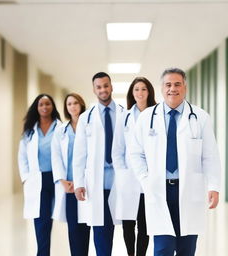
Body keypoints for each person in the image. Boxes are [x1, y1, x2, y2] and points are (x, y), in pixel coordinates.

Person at [129, 68, 221, 256]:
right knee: (162, 248)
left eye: (177, 84)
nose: (173, 88)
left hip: (189, 189)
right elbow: (135, 153)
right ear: (161, 88)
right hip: (158, 189)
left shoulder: (200, 117)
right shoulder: (147, 118)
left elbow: (210, 155)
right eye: (168, 84)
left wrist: (214, 186)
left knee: (187, 249)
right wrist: (145, 180)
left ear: (185, 87)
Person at [73, 72, 123, 256]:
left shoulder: (123, 114)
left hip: (119, 181)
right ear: (94, 90)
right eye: (99, 87)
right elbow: (79, 154)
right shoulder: (86, 118)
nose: (103, 90)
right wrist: (78, 183)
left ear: (111, 87)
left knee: (126, 229)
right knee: (101, 230)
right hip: (97, 182)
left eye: (106, 85)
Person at [111, 77, 156, 256]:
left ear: (149, 92)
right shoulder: (124, 116)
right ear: (132, 93)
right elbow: (117, 149)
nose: (140, 93)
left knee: (145, 224)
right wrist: (122, 173)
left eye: (143, 89)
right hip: (128, 178)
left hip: (149, 177)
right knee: (128, 223)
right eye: (136, 89)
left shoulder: (156, 115)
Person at [18, 94, 61, 256]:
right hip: (38, 180)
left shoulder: (60, 128)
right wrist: (26, 177)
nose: (44, 107)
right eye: (41, 104)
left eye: (48, 104)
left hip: (57, 178)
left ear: (52, 107)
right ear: (37, 107)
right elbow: (22, 156)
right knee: (42, 221)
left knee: (56, 217)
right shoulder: (30, 132)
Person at [51, 93, 90, 256]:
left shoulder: (89, 126)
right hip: (68, 186)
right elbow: (56, 156)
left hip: (86, 184)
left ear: (81, 104)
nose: (72, 106)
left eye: (75, 103)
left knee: (86, 226)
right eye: (69, 104)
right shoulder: (61, 130)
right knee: (73, 227)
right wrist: (62, 180)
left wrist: (82, 180)